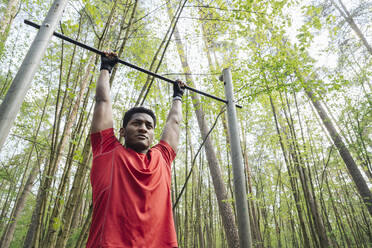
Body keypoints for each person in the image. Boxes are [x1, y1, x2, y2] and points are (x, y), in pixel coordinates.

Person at [86, 52, 185, 248]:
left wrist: (178, 96)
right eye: (136, 123)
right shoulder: (107, 150)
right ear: (122, 131)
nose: (143, 128)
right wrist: (106, 68)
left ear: (153, 134)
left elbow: (174, 121)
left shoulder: (162, 158)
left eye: (149, 126)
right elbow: (102, 102)